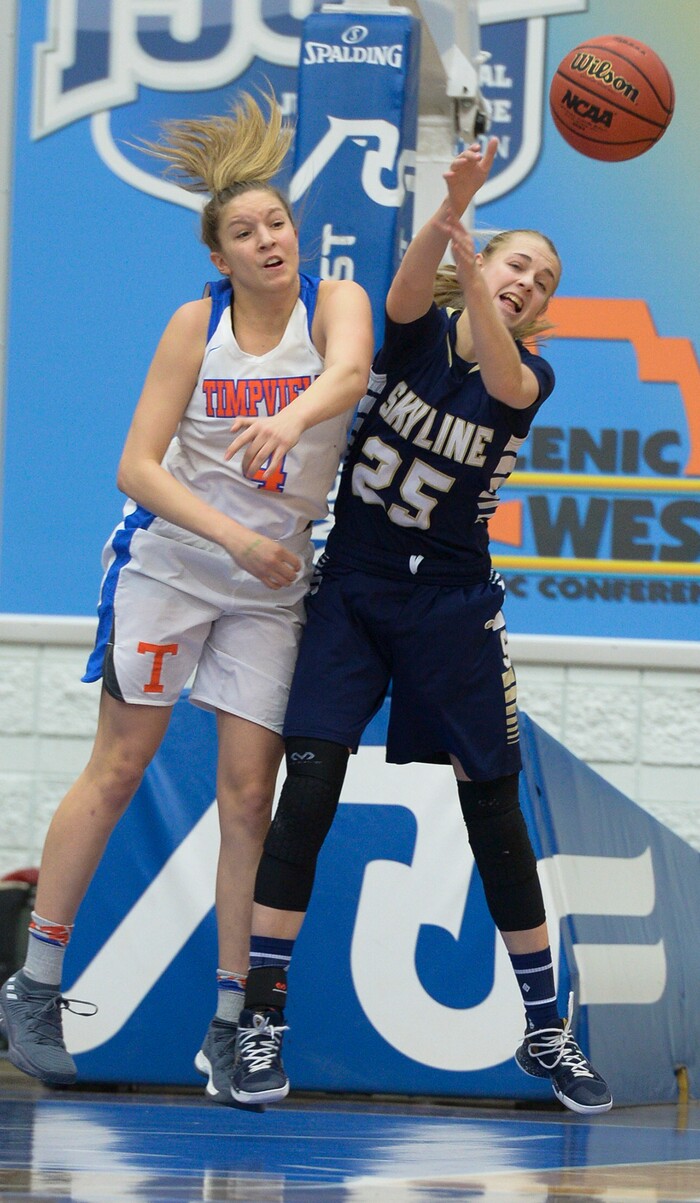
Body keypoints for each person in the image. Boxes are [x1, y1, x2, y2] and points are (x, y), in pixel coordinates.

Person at [0, 92, 373, 1104]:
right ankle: (33, 985)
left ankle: (232, 1022)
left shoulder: (335, 300)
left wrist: (288, 420)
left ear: (297, 233)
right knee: (119, 767)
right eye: (245, 232)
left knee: (249, 797)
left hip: (267, 588)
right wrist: (237, 535)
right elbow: (136, 466)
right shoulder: (192, 326)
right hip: (176, 565)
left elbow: (347, 375)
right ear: (222, 255)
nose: (267, 242)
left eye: (277, 224)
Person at [229, 137, 613, 1115]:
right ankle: (260, 1022)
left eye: (542, 277)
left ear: (542, 304)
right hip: (353, 591)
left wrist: (468, 249)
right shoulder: (411, 335)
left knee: (492, 809)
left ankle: (543, 1029)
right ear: (482, 266)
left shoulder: (526, 377)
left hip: (450, 609)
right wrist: (447, 221)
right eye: (514, 261)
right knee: (306, 789)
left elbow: (490, 358)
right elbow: (408, 299)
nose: (526, 280)